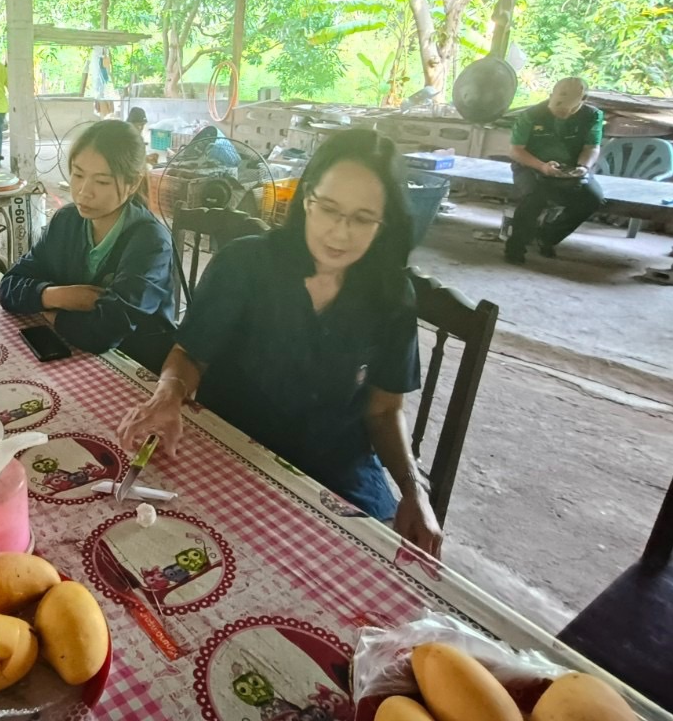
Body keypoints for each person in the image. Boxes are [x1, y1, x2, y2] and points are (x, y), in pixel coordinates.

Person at [118, 129, 443, 557]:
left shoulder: (391, 294)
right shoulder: (245, 265)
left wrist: (412, 487)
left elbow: (384, 409)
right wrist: (168, 394)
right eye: (328, 208)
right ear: (307, 198)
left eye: (363, 218)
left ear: (386, 224)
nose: (340, 233)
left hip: (337, 474)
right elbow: (190, 354)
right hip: (236, 454)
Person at [0, 120, 177, 373]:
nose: (83, 192)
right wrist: (58, 296)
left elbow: (104, 333)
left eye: (102, 182)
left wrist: (51, 314)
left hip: (134, 368)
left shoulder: (151, 243)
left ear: (133, 183)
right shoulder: (67, 221)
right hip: (74, 356)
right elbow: (9, 285)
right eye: (78, 174)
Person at [504, 76, 605, 265]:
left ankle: (547, 236)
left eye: (570, 111)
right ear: (551, 95)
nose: (563, 115)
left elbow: (591, 147)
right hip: (530, 165)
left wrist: (583, 167)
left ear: (584, 100)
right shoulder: (531, 115)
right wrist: (542, 166)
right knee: (534, 197)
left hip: (572, 167)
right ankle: (516, 247)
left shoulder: (593, 116)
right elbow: (516, 150)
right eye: (558, 109)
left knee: (593, 198)